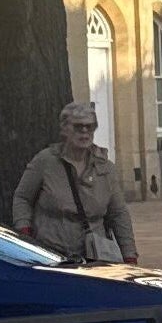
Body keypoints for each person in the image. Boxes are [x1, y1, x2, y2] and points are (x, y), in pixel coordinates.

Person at [13, 100, 138, 263]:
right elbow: (22, 198)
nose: (85, 132)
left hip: (94, 257)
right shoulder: (45, 161)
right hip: (51, 255)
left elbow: (119, 214)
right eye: (78, 127)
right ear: (65, 129)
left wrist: (129, 255)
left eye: (90, 126)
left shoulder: (106, 168)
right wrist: (24, 231)